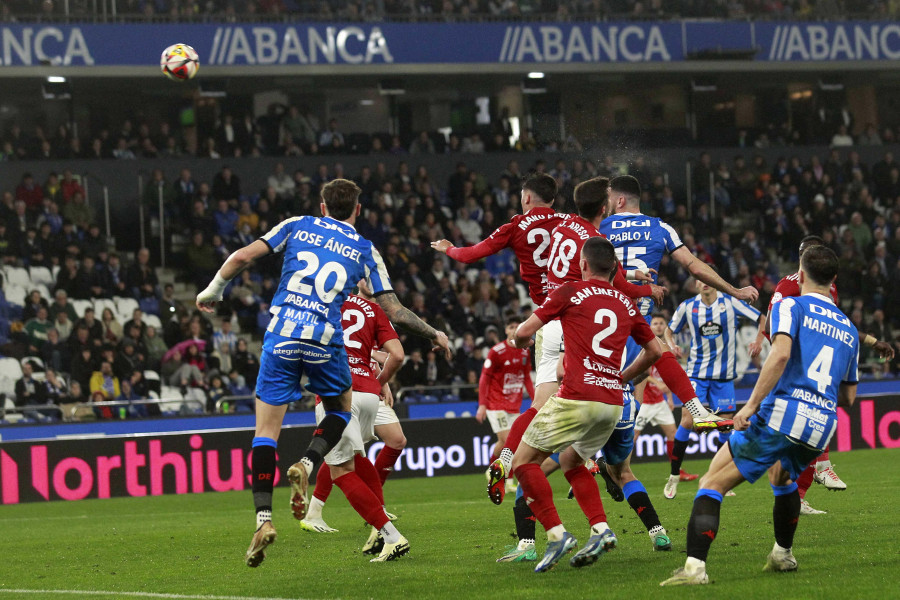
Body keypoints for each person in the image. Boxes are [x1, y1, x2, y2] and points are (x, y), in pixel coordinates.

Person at [195, 178, 449, 568]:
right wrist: (433, 333)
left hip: (281, 335)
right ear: (358, 210)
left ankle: (263, 519)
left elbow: (244, 256)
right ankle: (310, 463)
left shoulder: (297, 224)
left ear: (322, 205)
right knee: (339, 410)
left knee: (265, 432)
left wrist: (214, 290)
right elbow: (395, 310)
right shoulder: (366, 250)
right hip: (323, 341)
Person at [661, 245, 858, 585]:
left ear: (801, 272)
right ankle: (782, 554)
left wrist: (750, 407)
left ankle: (694, 569)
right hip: (822, 426)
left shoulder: (789, 304)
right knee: (782, 478)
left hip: (781, 415)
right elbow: (849, 396)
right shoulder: (849, 328)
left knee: (712, 482)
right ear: (834, 278)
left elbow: (779, 355)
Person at [510, 237, 662, 572]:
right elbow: (655, 352)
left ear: (582, 264)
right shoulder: (625, 303)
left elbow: (525, 331)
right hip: (612, 402)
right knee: (571, 461)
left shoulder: (569, 292)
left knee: (522, 463)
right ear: (615, 268)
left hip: (577, 395)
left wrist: (518, 340)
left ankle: (556, 534)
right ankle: (601, 529)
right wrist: (622, 377)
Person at [600, 176, 756, 445]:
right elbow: (695, 265)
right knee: (654, 357)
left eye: (609, 198)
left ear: (619, 200)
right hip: (636, 321)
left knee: (652, 359)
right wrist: (735, 291)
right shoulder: (660, 228)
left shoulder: (598, 227)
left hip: (602, 321)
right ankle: (697, 412)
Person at [749, 235, 894, 513]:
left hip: (814, 359)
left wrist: (873, 342)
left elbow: (836, 324)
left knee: (818, 412)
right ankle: (818, 465)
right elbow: (773, 328)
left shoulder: (830, 289)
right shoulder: (787, 286)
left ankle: (801, 492)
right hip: (791, 357)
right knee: (806, 416)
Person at [300, 281, 406, 559]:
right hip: (369, 394)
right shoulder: (372, 308)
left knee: (340, 469)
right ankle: (380, 522)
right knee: (357, 458)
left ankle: (390, 535)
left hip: (337, 393)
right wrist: (379, 382)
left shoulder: (320, 307)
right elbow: (397, 355)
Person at [662, 281, 762, 499]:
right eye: (700, 280)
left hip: (724, 377)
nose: (704, 284)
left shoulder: (731, 303)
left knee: (726, 428)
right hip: (697, 374)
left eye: (708, 280)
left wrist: (759, 340)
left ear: (715, 283)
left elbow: (762, 318)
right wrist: (672, 346)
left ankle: (716, 477)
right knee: (687, 420)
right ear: (696, 285)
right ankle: (674, 476)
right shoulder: (687, 307)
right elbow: (669, 331)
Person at [633, 314, 698, 483]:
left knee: (672, 433)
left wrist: (669, 397)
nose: (659, 326)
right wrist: (656, 384)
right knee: (631, 437)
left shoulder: (666, 347)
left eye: (662, 323)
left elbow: (667, 376)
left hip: (659, 401)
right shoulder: (645, 345)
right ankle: (619, 470)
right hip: (645, 401)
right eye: (655, 323)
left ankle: (677, 471)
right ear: (650, 326)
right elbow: (641, 371)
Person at [476, 315, 534, 490]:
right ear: (506, 330)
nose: (514, 329)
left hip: (514, 404)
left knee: (508, 444)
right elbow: (484, 378)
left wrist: (535, 399)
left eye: (517, 326)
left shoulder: (525, 350)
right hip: (496, 403)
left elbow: (526, 378)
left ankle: (507, 480)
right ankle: (494, 469)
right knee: (508, 439)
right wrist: (482, 404)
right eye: (510, 326)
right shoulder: (497, 351)